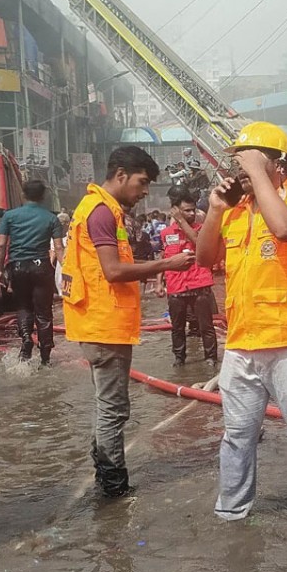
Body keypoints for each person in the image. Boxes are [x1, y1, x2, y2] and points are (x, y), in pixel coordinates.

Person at [195, 121, 287, 522]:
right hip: (242, 344)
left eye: (248, 162)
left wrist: (259, 176)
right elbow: (203, 260)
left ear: (278, 164)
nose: (240, 172)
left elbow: (283, 227)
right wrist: (214, 209)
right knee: (237, 438)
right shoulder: (236, 212)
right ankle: (231, 513)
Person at [62, 146, 194, 498]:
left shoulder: (102, 210)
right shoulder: (101, 211)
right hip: (104, 324)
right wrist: (167, 265)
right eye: (142, 182)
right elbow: (114, 270)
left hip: (100, 321)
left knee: (108, 404)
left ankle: (105, 470)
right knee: (114, 408)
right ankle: (113, 485)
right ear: (120, 174)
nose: (145, 190)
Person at [0, 180, 64, 365]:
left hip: (18, 267)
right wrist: (66, 271)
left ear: (22, 195)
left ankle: (26, 338)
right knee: (44, 313)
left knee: (24, 307)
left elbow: (1, 244)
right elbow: (58, 248)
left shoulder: (9, 216)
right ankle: (45, 358)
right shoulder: (52, 218)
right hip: (42, 267)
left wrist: (0, 270)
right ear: (43, 197)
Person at [160, 185, 218, 369]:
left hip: (199, 284)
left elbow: (199, 243)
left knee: (205, 326)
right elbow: (164, 258)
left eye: (193, 210)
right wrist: (160, 282)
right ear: (176, 210)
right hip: (176, 286)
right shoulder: (166, 234)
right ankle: (179, 359)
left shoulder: (202, 230)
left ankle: (211, 358)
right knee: (177, 327)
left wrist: (182, 222)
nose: (192, 213)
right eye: (187, 211)